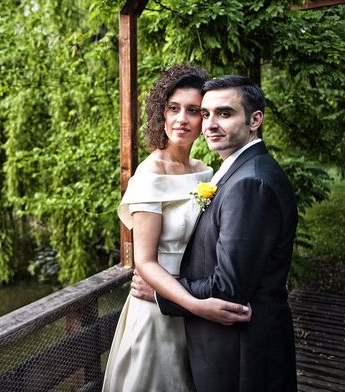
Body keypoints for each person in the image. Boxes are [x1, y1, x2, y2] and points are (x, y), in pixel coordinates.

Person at [135, 75, 298, 392]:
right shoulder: (237, 170)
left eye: (225, 113)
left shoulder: (250, 182)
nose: (210, 124)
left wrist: (161, 294)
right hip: (232, 345)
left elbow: (227, 289)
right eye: (206, 114)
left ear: (254, 120)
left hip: (239, 353)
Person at [102, 65, 251, 392]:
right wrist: (198, 306)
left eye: (193, 110)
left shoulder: (205, 172)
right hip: (159, 310)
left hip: (197, 305)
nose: (182, 118)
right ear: (162, 114)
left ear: (205, 118)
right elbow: (145, 261)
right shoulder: (149, 175)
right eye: (173, 108)